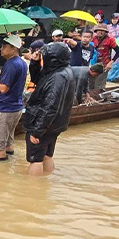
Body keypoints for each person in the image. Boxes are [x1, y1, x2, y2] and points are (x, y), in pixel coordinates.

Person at [22, 43, 80, 176]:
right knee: (47, 155)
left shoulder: (56, 77)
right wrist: (35, 63)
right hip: (56, 123)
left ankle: (32, 190)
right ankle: (45, 184)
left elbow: (50, 106)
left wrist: (37, 130)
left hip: (44, 123)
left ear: (52, 58)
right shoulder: (63, 70)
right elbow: (38, 80)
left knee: (35, 159)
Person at [0, 35, 27, 162]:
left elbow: (3, 88)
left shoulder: (12, 64)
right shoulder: (21, 63)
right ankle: (9, 168)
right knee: (8, 143)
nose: (1, 49)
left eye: (4, 46)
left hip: (5, 109)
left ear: (13, 49)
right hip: (15, 107)